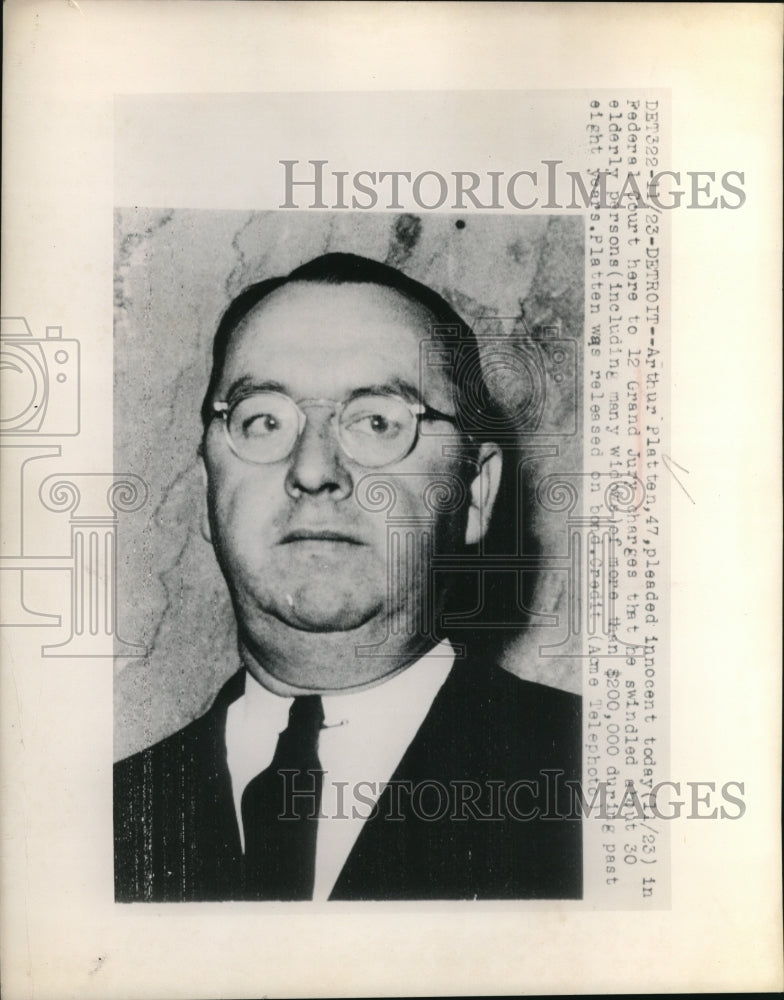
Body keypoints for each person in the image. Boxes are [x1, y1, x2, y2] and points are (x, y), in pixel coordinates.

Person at [114, 252, 581, 902]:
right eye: (264, 420)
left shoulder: (596, 784)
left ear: (474, 494)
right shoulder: (97, 828)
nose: (313, 469)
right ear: (204, 495)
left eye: (377, 421)